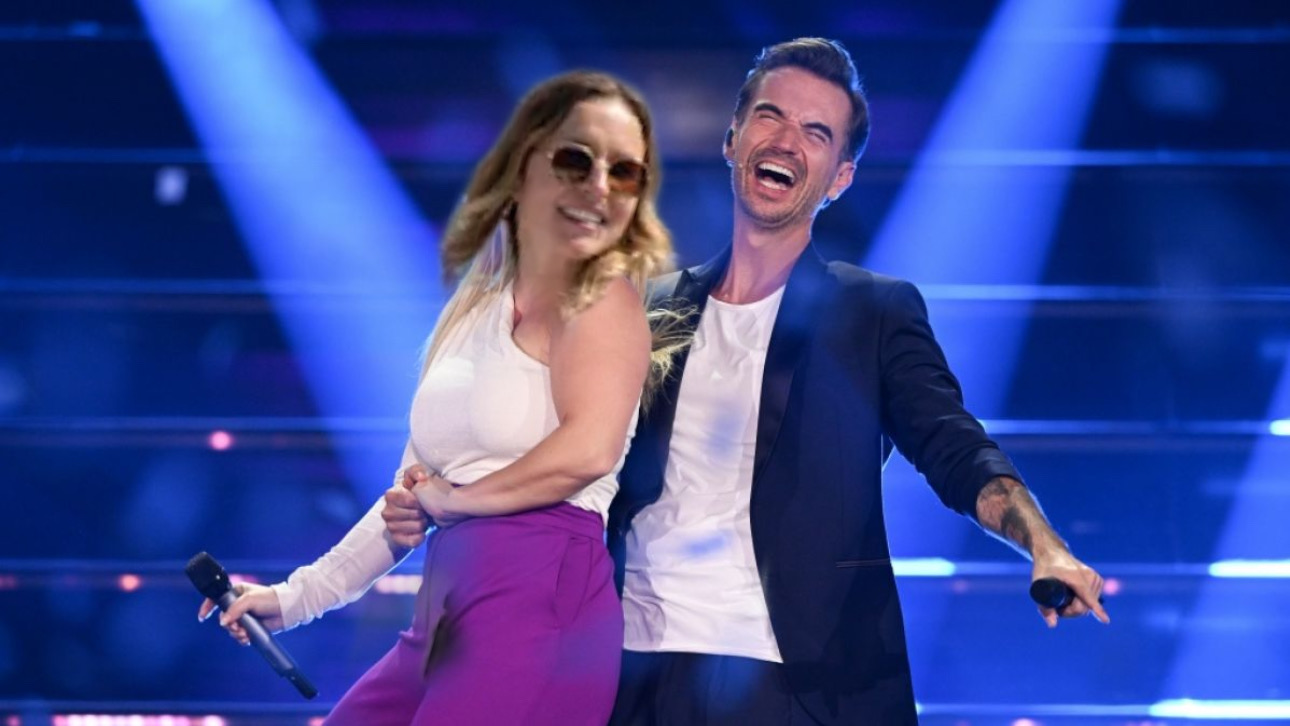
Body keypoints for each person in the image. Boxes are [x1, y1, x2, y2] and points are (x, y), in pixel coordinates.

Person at [593, 37, 1112, 726]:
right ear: (733, 138)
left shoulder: (872, 312)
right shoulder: (647, 310)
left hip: (793, 682)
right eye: (771, 116)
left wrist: (1044, 546)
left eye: (815, 132)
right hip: (635, 672)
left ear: (839, 178)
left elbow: (955, 448)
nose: (785, 141)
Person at [198, 70, 676, 725]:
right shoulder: (477, 305)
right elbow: (409, 496)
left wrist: (456, 501)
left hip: (541, 607)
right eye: (576, 160)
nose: (599, 187)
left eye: (624, 173)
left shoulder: (603, 300)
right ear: (523, 165)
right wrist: (292, 599)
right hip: (448, 615)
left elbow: (589, 450)